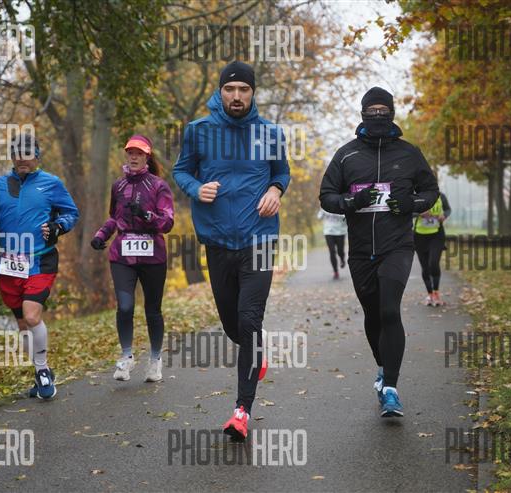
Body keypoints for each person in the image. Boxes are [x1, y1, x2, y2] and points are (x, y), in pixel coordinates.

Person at [173, 60, 290, 439]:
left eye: (243, 89)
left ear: (253, 93)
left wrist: (275, 190)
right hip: (218, 240)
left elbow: (281, 172)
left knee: (249, 319)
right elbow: (180, 171)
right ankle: (255, 353)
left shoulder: (270, 133)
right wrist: (196, 188)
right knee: (232, 324)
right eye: (230, 89)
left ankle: (242, 410)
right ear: (220, 91)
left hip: (260, 238)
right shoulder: (198, 131)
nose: (236, 96)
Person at [319, 87, 438, 417]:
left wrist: (411, 204)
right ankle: (383, 368)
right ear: (362, 114)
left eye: (382, 111)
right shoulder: (347, 155)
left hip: (397, 246)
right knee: (373, 315)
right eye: (371, 111)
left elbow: (430, 190)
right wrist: (352, 201)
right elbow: (326, 196)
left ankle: (391, 389)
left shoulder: (409, 154)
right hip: (360, 251)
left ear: (392, 113)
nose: (377, 116)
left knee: (389, 310)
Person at [0, 133, 79, 400]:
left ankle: (43, 369)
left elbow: (71, 213)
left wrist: (58, 226)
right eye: (17, 153)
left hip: (41, 259)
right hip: (10, 263)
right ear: (12, 156)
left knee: (32, 316)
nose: (22, 158)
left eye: (27, 153)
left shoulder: (51, 183)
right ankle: (39, 372)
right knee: (23, 323)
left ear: (37, 156)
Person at [90, 135, 174, 383]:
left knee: (152, 310)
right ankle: (126, 356)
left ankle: (155, 360)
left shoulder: (158, 186)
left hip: (153, 256)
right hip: (122, 255)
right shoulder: (118, 186)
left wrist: (147, 215)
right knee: (125, 306)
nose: (134, 157)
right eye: (130, 153)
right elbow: (114, 218)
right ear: (127, 155)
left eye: (139, 153)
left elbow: (167, 222)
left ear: (147, 156)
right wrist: (101, 235)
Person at [414, 192, 451, 306]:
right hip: (419, 236)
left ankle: (436, 293)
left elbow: (448, 209)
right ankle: (430, 294)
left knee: (433, 263)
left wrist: (444, 216)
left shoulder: (441, 196)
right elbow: (407, 211)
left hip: (437, 235)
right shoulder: (416, 197)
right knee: (425, 267)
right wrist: (419, 213)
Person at [317, 208, 347, 279]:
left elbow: (345, 217)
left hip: (340, 231)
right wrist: (323, 213)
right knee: (332, 251)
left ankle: (342, 259)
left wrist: (338, 214)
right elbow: (319, 217)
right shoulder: (325, 206)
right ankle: (335, 271)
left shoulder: (341, 204)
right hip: (328, 231)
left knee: (340, 251)